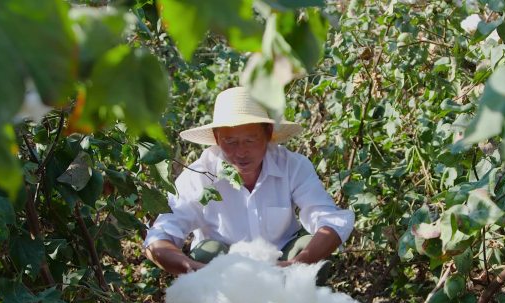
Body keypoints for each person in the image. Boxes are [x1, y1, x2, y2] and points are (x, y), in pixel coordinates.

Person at [144, 86, 355, 276]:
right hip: (223, 269)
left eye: (250, 140)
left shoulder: (292, 166)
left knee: (309, 245)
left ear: (268, 134)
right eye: (230, 142)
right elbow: (159, 238)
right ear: (217, 139)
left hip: (282, 260)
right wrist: (198, 271)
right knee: (209, 252)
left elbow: (329, 220)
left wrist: (299, 263)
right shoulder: (199, 175)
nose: (241, 152)